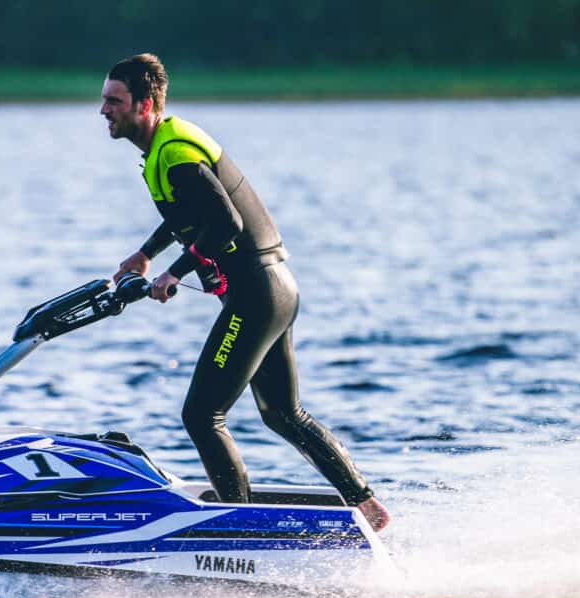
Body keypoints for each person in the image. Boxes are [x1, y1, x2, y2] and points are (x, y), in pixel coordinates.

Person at [102, 53, 390, 531]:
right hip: (275, 289)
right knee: (283, 414)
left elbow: (225, 223)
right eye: (105, 101)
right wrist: (146, 254)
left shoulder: (175, 154)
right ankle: (368, 507)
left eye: (114, 101)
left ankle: (236, 529)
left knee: (201, 415)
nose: (104, 110)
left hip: (257, 295)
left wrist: (174, 272)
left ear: (144, 104)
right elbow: (187, 214)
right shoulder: (165, 146)